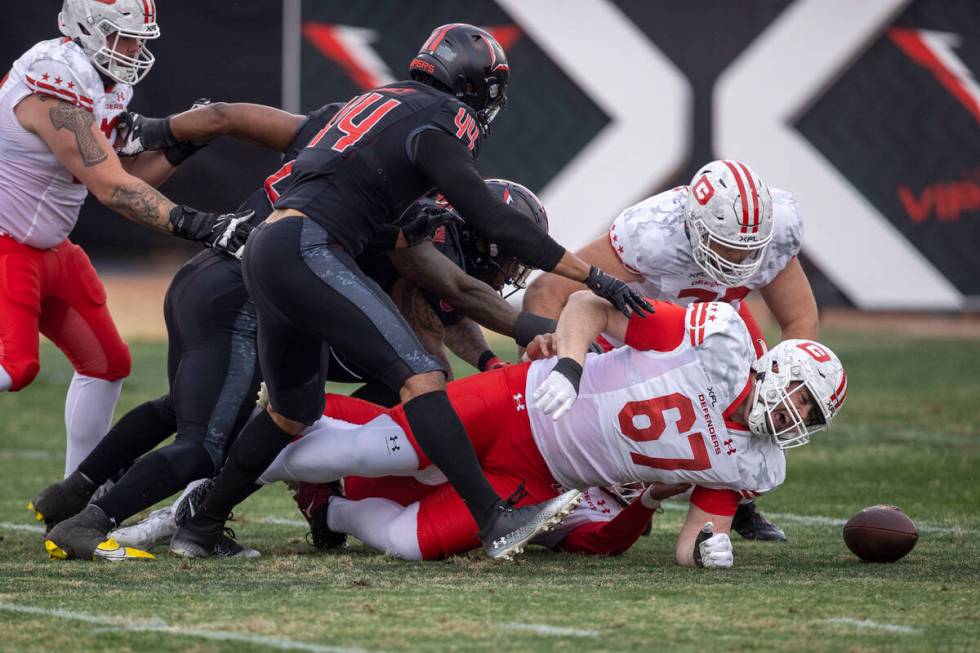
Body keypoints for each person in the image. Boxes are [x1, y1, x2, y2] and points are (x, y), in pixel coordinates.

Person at [164, 23, 651, 561]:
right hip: (308, 246)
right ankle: (494, 518)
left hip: (269, 244)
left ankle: (200, 525)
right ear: (473, 88)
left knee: (291, 412)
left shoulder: (385, 98)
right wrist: (593, 277)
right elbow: (490, 218)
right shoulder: (444, 116)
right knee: (421, 375)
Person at [30, 94, 566, 559]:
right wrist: (531, 337)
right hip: (243, 294)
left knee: (221, 410)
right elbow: (449, 300)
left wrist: (158, 130)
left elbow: (224, 115)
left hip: (226, 281)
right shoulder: (399, 188)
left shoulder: (339, 136)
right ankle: (95, 523)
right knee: (209, 441)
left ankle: (77, 496)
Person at [252, 293, 847, 565]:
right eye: (799, 396)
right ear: (775, 366)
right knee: (376, 449)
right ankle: (223, 476)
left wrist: (709, 549)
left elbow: (693, 544)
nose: (796, 415)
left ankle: (326, 512)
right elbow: (592, 304)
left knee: (411, 545)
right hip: (523, 401)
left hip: (544, 476)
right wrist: (568, 364)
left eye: (810, 415)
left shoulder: (753, 464)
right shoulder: (716, 343)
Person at [0, 0, 252, 486]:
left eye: (137, 37)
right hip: (7, 245)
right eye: (121, 36)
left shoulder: (101, 82)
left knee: (106, 364)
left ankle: (76, 492)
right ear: (85, 28)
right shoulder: (54, 76)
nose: (133, 48)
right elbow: (112, 189)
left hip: (50, 248)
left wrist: (183, 144)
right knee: (16, 366)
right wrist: (203, 225)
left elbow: (130, 172)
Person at [523, 160, 818, 541]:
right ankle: (616, 488)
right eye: (725, 247)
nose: (738, 261)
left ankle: (739, 499)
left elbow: (800, 328)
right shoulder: (653, 233)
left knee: (771, 388)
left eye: (748, 251)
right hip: (643, 332)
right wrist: (543, 365)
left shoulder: (779, 231)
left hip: (719, 332)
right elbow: (549, 289)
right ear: (692, 225)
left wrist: (787, 389)